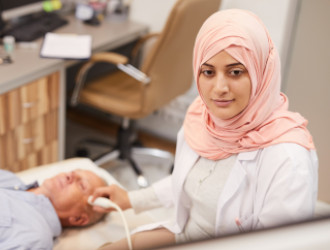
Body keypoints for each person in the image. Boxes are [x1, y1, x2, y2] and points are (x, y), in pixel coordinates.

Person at [90, 8, 319, 249]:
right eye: (208, 72)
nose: (219, 87)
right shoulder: (202, 117)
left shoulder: (288, 160)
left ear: (261, 72)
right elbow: (189, 180)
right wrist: (130, 199)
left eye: (236, 72)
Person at [0, 167, 107, 250]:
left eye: (81, 185)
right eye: (73, 172)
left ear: (78, 218)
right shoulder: (4, 177)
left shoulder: (34, 238)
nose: (69, 175)